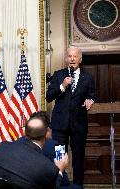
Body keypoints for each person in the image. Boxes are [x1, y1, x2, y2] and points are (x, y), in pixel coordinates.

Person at [46, 46, 96, 188]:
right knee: (59, 157)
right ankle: (59, 185)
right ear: (66, 59)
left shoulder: (88, 78)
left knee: (78, 158)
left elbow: (92, 95)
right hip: (59, 126)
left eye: (75, 56)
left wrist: (90, 100)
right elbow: (49, 97)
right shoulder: (58, 75)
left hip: (79, 125)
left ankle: (78, 186)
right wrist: (62, 85)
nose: (72, 59)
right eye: (69, 56)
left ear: (80, 59)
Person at [0, 113, 69, 189]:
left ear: (25, 132)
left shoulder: (7, 146)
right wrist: (60, 171)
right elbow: (64, 181)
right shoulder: (57, 148)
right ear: (47, 131)